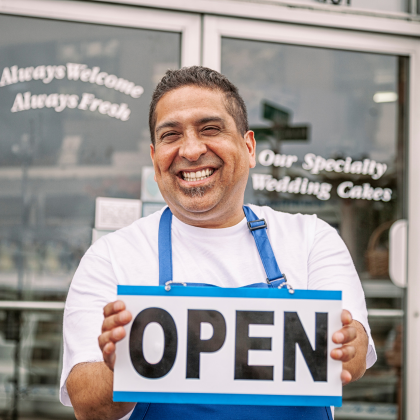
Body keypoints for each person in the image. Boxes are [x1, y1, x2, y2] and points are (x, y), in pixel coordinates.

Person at [60, 66, 376, 420]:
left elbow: (356, 356)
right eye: (171, 135)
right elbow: (86, 403)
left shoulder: (311, 239)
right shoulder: (112, 257)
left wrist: (348, 344)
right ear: (154, 157)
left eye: (210, 129)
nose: (191, 150)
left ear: (249, 147)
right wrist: (123, 368)